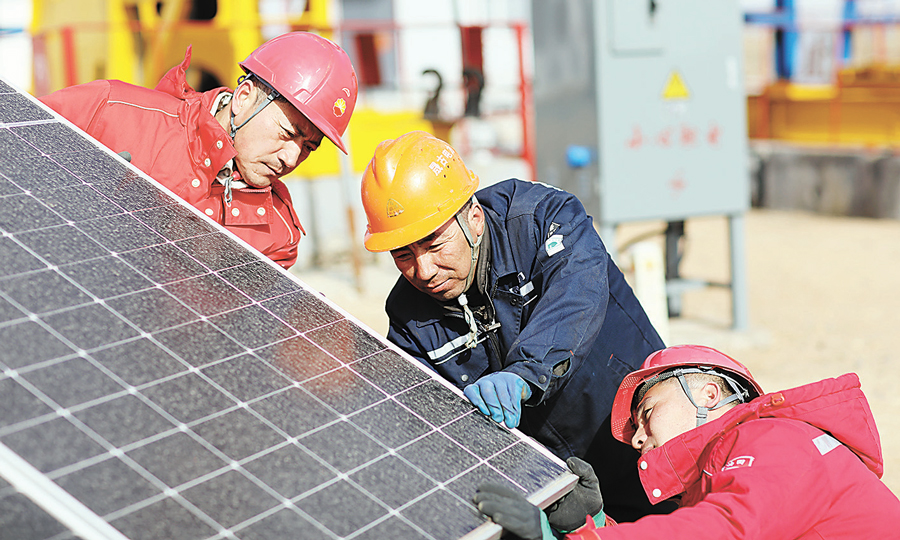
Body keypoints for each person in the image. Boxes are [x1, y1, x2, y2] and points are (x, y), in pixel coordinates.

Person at [360, 130, 669, 521]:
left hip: (640, 441)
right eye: (403, 254)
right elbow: (425, 420)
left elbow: (576, 299)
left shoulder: (543, 220)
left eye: (435, 245)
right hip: (559, 487)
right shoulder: (409, 318)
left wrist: (524, 374)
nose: (423, 270)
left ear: (473, 218)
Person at [474, 344, 900, 539]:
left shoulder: (773, 437)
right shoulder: (714, 480)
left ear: (708, 395)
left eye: (647, 413)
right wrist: (590, 525)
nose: (638, 438)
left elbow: (724, 531)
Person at [40, 32, 357, 269]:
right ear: (244, 97)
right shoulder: (109, 110)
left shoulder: (279, 234)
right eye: (288, 133)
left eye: (309, 148)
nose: (291, 158)